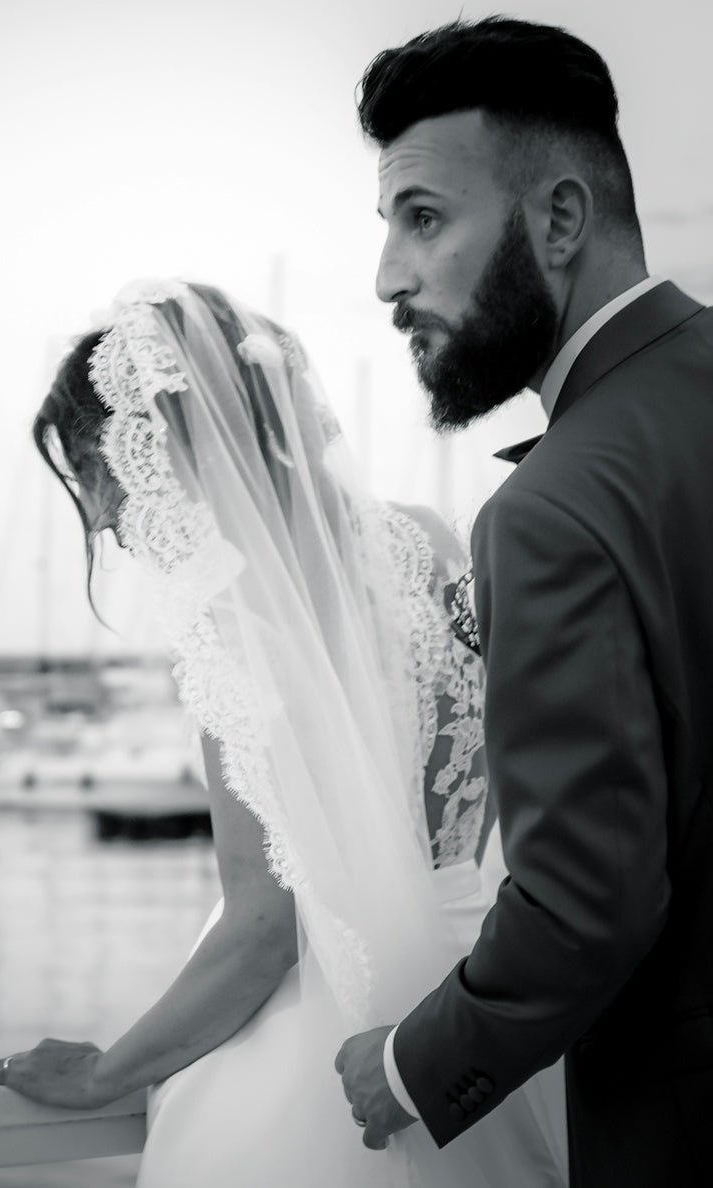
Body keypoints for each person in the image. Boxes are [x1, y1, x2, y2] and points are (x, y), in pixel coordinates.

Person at [0, 279, 566, 1185]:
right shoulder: (432, 544)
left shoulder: (238, 627)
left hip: (330, 1040)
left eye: (100, 470)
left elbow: (265, 926)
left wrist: (105, 1072)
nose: (102, 515)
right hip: (463, 1002)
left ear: (168, 450)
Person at [335, 17, 713, 1187]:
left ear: (559, 218)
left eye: (426, 218)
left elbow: (584, 909)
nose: (390, 279)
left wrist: (407, 1065)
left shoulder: (553, 511)